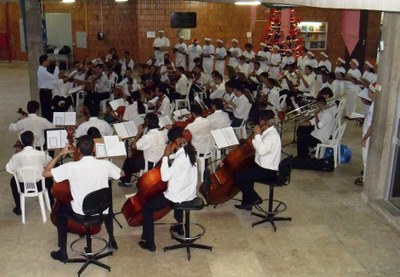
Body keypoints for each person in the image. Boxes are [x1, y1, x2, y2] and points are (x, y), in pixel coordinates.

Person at [43, 135, 124, 262]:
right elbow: (122, 174)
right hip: (102, 210)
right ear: (94, 149)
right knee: (107, 202)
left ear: (79, 151)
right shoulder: (105, 164)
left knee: (59, 213)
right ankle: (112, 240)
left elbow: (46, 173)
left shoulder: (71, 166)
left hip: (81, 212)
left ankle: (62, 252)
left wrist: (60, 154)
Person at [140, 126, 198, 252]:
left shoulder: (181, 158)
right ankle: (179, 226)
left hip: (178, 196)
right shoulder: (190, 150)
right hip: (189, 193)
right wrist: (170, 156)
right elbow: (178, 158)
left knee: (147, 208)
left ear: (174, 142)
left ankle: (149, 242)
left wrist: (166, 156)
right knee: (174, 191)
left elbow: (165, 177)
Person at [233, 111, 281, 210]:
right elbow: (257, 145)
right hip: (263, 165)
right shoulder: (269, 132)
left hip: (267, 170)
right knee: (245, 170)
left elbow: (261, 150)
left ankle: (255, 198)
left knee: (238, 177)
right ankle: (247, 203)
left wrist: (258, 134)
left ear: (263, 121)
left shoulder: (271, 135)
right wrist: (256, 137)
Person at [6, 131, 54, 216]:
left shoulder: (16, 156)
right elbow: (50, 162)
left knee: (13, 181)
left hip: (22, 186)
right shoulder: (41, 154)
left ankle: (19, 208)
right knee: (49, 177)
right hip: (40, 185)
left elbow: (9, 169)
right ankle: (51, 203)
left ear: (21, 142)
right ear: (33, 141)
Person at [119, 113, 168, 186]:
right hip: (160, 160)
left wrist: (139, 133)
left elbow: (133, 146)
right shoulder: (165, 132)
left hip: (149, 164)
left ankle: (126, 181)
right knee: (138, 157)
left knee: (128, 161)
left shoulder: (148, 137)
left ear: (147, 122)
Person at [355, 83, 377, 186]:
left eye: (369, 91)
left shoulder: (376, 104)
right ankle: (366, 175)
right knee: (366, 156)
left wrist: (365, 138)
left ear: (374, 93)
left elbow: (373, 123)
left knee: (366, 156)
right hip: (367, 132)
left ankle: (365, 179)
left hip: (368, 135)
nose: (368, 93)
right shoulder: (374, 103)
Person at [37, 54, 59, 121]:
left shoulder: (43, 69)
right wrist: (57, 66)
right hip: (45, 93)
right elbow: (55, 77)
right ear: (44, 62)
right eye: (47, 60)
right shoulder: (42, 71)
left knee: (47, 110)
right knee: (46, 111)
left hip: (46, 92)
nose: (49, 62)